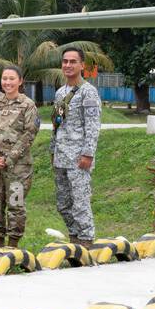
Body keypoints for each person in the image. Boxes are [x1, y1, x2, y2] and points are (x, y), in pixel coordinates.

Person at [0, 65, 39, 247]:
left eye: (12, 78)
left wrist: (10, 159)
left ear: (20, 81)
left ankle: (13, 244)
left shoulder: (28, 105)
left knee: (16, 204)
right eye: (5, 78)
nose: (7, 82)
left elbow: (29, 133)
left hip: (18, 168)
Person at [51, 47, 101, 245]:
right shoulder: (60, 92)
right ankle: (74, 236)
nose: (68, 65)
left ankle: (86, 239)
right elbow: (57, 124)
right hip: (61, 156)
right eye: (65, 61)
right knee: (63, 204)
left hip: (79, 158)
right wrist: (53, 150)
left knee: (80, 202)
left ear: (82, 65)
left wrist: (88, 154)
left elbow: (93, 125)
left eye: (73, 61)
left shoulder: (89, 92)